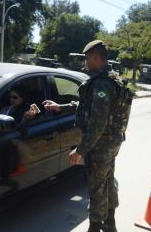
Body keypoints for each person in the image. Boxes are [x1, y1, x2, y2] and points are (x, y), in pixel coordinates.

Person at [43, 40, 124, 232]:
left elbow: (97, 122)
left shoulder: (102, 84)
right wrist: (60, 106)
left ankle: (96, 227)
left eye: (88, 59)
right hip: (111, 142)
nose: (85, 64)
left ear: (97, 58)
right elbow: (88, 107)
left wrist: (81, 150)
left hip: (100, 144)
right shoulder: (112, 78)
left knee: (97, 189)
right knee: (108, 181)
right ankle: (111, 223)